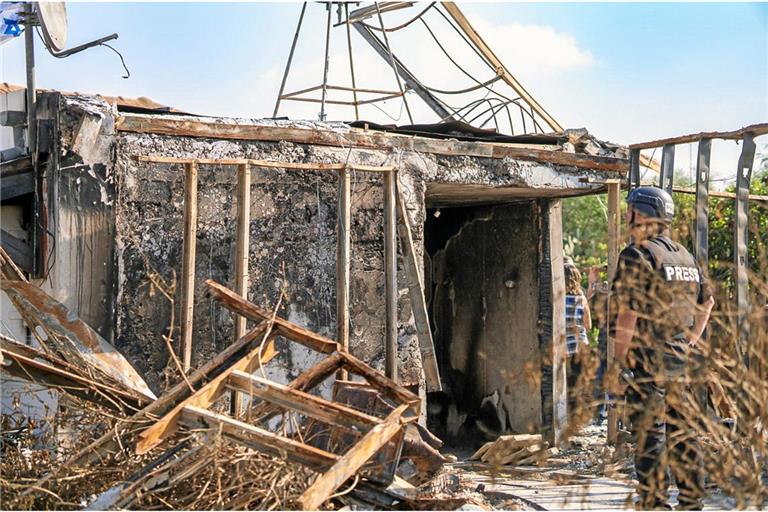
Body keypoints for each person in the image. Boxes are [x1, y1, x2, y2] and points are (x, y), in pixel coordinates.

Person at [609, 187, 715, 510]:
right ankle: (691, 502)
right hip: (682, 362)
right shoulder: (685, 256)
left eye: (630, 212)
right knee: (683, 432)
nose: (627, 218)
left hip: (648, 361)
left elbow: (629, 313)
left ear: (641, 215)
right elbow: (707, 301)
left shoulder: (637, 254)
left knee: (650, 434)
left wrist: (618, 362)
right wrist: (691, 340)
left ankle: (655, 503)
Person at [564, 259, 592, 420]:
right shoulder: (581, 298)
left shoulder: (557, 297)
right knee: (576, 385)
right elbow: (587, 325)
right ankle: (576, 420)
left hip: (562, 346)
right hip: (579, 346)